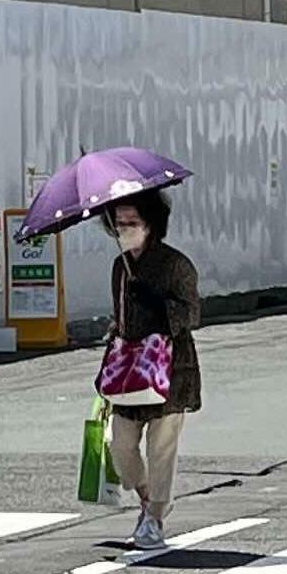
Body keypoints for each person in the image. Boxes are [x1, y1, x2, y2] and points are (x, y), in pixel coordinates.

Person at [101, 190, 200, 550]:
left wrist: (159, 306)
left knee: (162, 446)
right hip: (129, 369)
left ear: (151, 224)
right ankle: (146, 499)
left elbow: (193, 313)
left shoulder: (176, 265)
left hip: (170, 368)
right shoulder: (120, 267)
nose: (125, 230)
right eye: (119, 223)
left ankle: (155, 517)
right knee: (120, 443)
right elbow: (121, 317)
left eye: (133, 223)